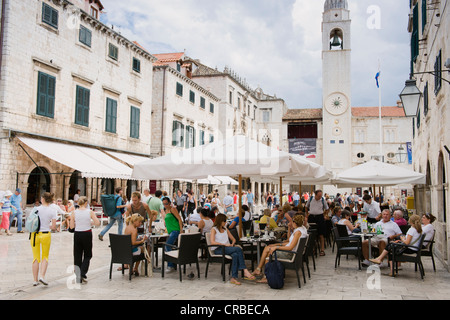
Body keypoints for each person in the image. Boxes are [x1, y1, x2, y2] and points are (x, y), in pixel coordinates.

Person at [252, 215, 308, 283]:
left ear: (295, 223)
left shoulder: (298, 232)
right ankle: (259, 270)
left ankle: (265, 276)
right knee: (268, 247)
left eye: (292, 222)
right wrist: (276, 245)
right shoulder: (302, 229)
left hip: (290, 254)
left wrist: (276, 247)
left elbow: (290, 247)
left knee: (269, 253)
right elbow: (289, 242)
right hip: (293, 253)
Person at [210, 214, 255, 285]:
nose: (225, 223)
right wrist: (224, 244)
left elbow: (233, 239)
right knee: (238, 249)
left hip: (227, 248)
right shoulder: (214, 229)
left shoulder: (225, 229)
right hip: (218, 249)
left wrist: (232, 243)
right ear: (220, 221)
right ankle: (245, 270)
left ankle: (233, 277)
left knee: (235, 255)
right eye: (224, 221)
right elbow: (212, 242)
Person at [69, 196, 100, 283]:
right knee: (88, 255)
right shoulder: (90, 212)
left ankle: (78, 275)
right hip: (87, 233)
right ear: (86, 203)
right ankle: (82, 273)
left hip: (77, 234)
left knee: (77, 255)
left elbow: (71, 226)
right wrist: (90, 222)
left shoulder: (74, 212)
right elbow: (97, 223)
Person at [30, 192, 57, 286]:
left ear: (43, 199)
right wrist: (47, 227)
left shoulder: (35, 209)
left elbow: (30, 222)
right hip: (45, 234)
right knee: (45, 256)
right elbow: (53, 227)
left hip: (34, 235)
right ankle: (42, 276)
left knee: (35, 257)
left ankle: (35, 280)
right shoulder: (53, 211)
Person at [162, 196, 183, 273]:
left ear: (170, 203)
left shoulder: (172, 209)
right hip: (170, 231)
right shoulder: (165, 210)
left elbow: (179, 219)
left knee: (167, 245)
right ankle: (173, 264)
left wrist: (181, 230)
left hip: (175, 230)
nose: (165, 205)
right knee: (170, 246)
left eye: (166, 204)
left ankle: (170, 265)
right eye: (164, 204)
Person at [305, 190, 329, 256]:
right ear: (315, 195)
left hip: (320, 217)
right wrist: (307, 214)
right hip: (312, 217)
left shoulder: (322, 200)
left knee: (321, 234)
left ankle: (322, 250)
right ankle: (313, 249)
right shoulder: (310, 199)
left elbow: (327, 208)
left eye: (320, 196)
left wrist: (324, 215)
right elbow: (306, 207)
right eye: (318, 196)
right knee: (312, 234)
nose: (319, 197)